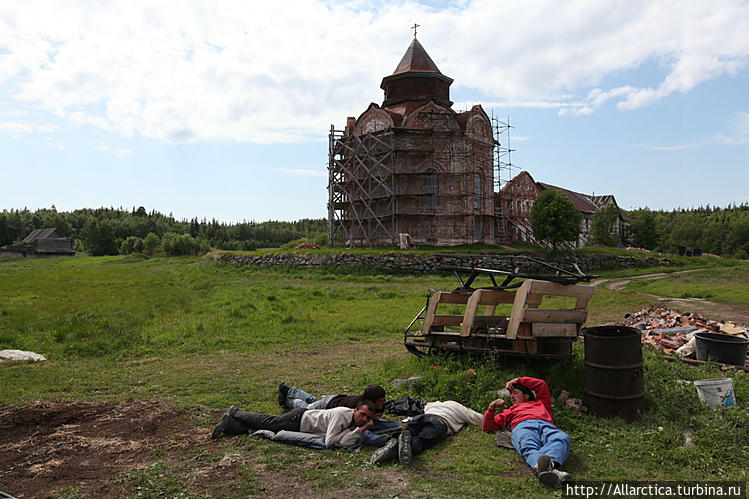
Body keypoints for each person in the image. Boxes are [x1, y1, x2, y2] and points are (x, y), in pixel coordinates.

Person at [482, 377, 572, 487]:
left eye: (515, 393)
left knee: (562, 438)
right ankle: (553, 470)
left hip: (546, 425)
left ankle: (547, 466)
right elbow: (488, 427)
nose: (512, 396)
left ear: (527, 395)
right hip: (523, 426)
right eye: (511, 394)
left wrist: (518, 380)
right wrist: (491, 409)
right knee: (527, 443)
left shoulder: (541, 403)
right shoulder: (509, 411)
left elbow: (541, 384)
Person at [211, 400, 376, 449]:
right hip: (298, 419)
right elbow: (331, 441)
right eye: (362, 414)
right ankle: (236, 412)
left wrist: (359, 429)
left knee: (267, 426)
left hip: (300, 424)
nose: (363, 419)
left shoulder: (353, 424)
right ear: (355, 410)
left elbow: (342, 440)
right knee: (269, 422)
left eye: (367, 418)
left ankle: (231, 424)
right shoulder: (341, 415)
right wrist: (354, 430)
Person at [370, 400, 482, 466]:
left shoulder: (435, 403)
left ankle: (395, 441)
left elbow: (422, 405)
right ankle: (406, 447)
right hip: (441, 422)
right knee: (423, 439)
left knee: (409, 430)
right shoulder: (463, 410)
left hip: (423, 417)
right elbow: (479, 419)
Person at [278, 382, 401, 437]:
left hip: (335, 398)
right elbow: (350, 425)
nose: (384, 403)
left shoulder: (377, 406)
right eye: (381, 401)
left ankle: (292, 391)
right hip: (328, 405)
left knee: (312, 399)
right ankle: (288, 399)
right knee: (307, 408)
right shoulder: (356, 407)